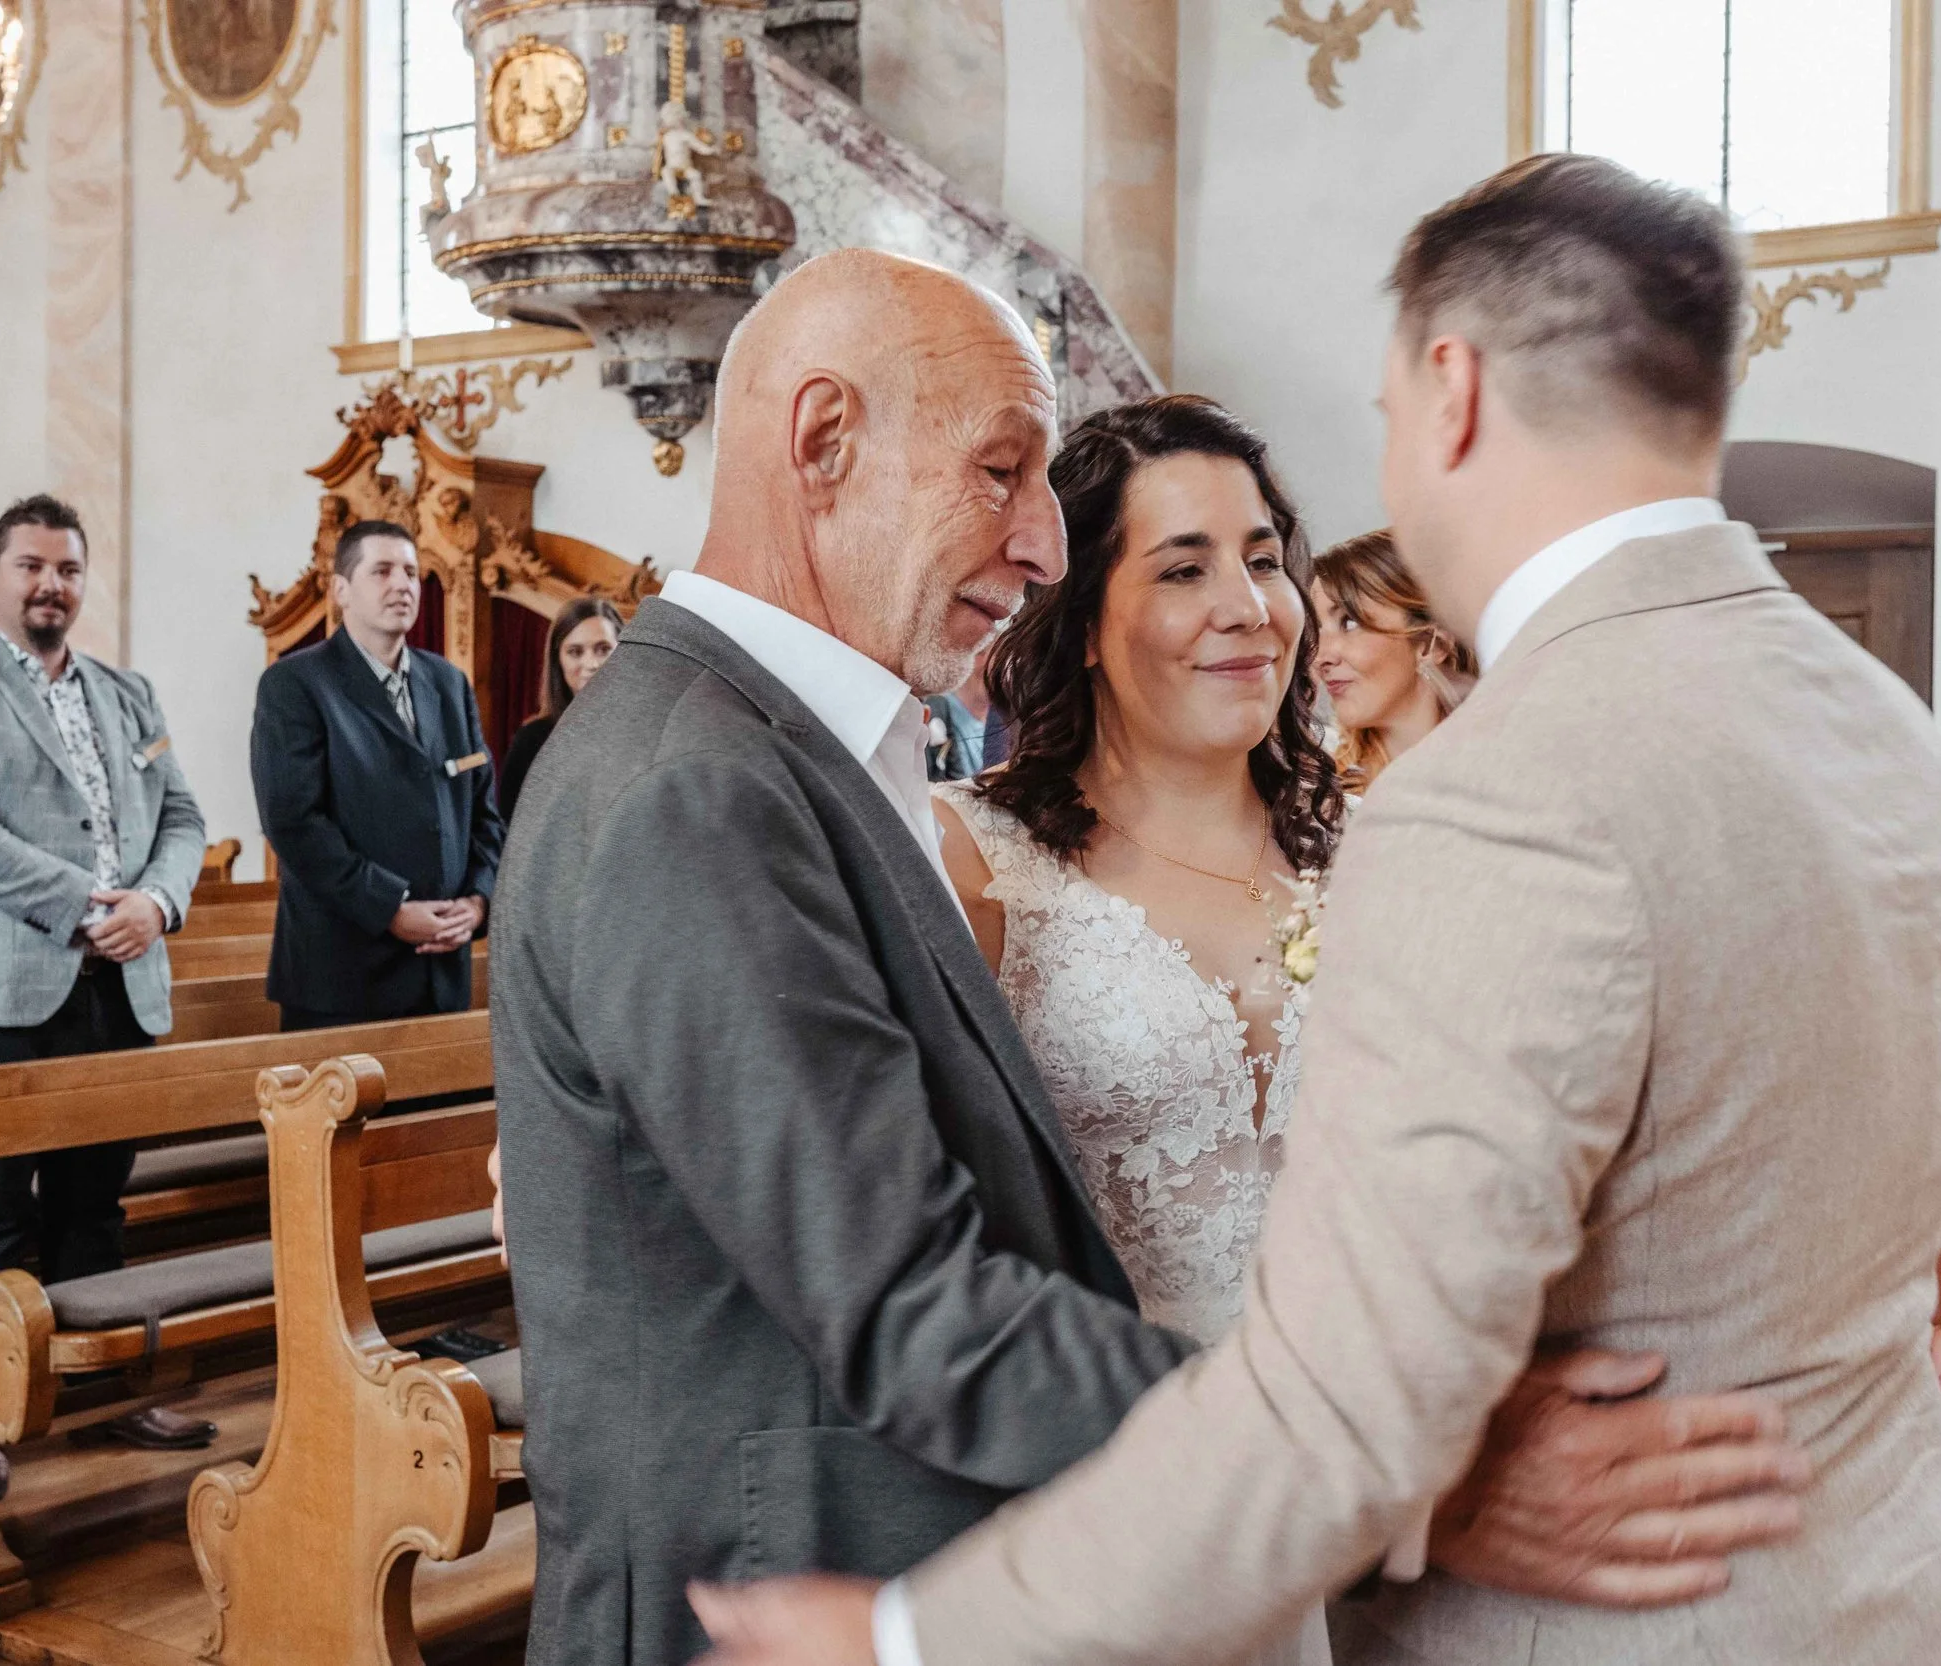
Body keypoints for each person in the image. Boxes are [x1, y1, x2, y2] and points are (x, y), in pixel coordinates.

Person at [694, 156, 1941, 1666]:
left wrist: (904, 1642)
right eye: (1189, 565)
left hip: (1592, 1606)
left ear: (1453, 389)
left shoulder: (1496, 794)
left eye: (1388, 420)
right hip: (1905, 1588)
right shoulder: (1888, 726)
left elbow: (1344, 1408)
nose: (1268, 597)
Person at [491, 247, 1810, 1666]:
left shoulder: (785, 755)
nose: (1043, 547)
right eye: (1001, 472)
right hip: (779, 1596)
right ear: (822, 442)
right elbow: (912, 1306)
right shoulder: (697, 784)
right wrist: (1406, 1474)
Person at [932, 393, 1341, 1665]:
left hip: (1368, 1485)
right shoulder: (972, 861)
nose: (1247, 605)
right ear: (1086, 623)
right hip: (1114, 1488)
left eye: (1264, 558)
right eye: (1183, 567)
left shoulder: (1374, 852)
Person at [0, 493, 217, 1453]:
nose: (50, 584)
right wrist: (88, 903)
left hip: (116, 985)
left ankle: (101, 1400)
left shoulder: (128, 692)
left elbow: (184, 817)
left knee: (93, 1208)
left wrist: (156, 902)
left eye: (67, 569)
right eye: (30, 566)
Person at [249, 521, 503, 1030]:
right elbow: (295, 823)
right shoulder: (295, 684)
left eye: (412, 572)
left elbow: (483, 816)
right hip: (342, 977)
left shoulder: (448, 684)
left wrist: (477, 902)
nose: (403, 584)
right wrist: (390, 908)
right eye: (382, 570)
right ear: (341, 588)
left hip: (442, 974)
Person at [1309, 528, 1475, 787]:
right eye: (1315, 629)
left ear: (1430, 645)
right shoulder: (1324, 798)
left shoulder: (1513, 773)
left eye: (1349, 623)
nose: (1321, 657)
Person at [498, 596, 623, 822]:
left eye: (603, 649)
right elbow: (508, 832)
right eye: (575, 652)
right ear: (558, 661)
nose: (592, 664)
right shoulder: (531, 741)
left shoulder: (646, 734)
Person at [923, 646, 1008, 782]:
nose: (991, 662)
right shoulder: (936, 712)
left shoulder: (1007, 720)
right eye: (981, 652)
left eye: (998, 654)